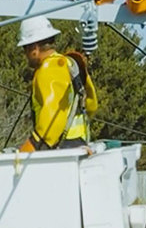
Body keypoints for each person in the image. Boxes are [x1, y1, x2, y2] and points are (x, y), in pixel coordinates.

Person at [17, 16, 99, 151]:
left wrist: (31, 147)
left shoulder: (49, 69)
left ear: (34, 48)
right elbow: (92, 106)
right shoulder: (70, 64)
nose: (25, 54)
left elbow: (51, 117)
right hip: (79, 145)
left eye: (24, 48)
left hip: (60, 149)